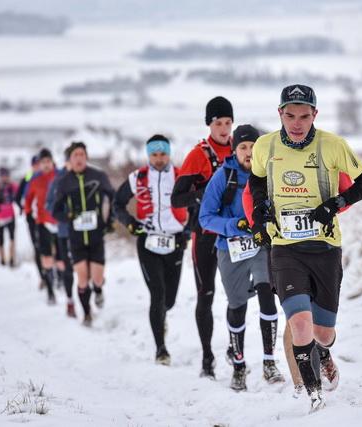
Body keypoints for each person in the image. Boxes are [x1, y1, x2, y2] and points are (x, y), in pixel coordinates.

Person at [248, 84, 362, 412]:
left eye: (304, 116)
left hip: (325, 246)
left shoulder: (333, 145)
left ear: (315, 114)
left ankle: (325, 351)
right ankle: (312, 392)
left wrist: (334, 204)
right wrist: (260, 204)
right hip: (285, 247)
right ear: (280, 114)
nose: (297, 123)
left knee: (323, 332)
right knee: (299, 323)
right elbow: (257, 179)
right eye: (290, 115)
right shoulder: (265, 145)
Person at [199, 125, 285, 391]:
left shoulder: (270, 173)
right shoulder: (222, 178)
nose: (248, 152)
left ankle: (269, 363)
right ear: (235, 150)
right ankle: (238, 365)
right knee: (237, 304)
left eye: (253, 147)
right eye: (243, 147)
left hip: (260, 245)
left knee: (266, 294)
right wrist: (234, 225)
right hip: (230, 248)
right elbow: (205, 217)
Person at [171, 96, 235, 378]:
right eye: (218, 123)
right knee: (205, 294)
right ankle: (207, 356)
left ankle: (237, 348)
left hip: (234, 233)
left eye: (228, 123)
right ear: (209, 124)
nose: (223, 129)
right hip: (206, 235)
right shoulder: (198, 156)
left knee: (238, 296)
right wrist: (205, 193)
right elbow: (176, 198)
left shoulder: (241, 149)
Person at [113, 135, 187, 364]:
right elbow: (117, 204)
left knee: (170, 300)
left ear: (168, 154)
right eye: (154, 155)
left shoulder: (180, 176)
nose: (158, 159)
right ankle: (161, 350)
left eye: (162, 154)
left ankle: (162, 316)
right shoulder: (137, 178)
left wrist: (189, 230)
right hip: (148, 242)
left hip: (174, 241)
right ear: (148, 155)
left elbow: (198, 202)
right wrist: (131, 223)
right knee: (157, 293)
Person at [52, 142, 116, 327]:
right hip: (76, 238)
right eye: (75, 155)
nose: (79, 158)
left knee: (96, 278)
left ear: (86, 157)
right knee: (82, 278)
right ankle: (87, 313)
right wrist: (68, 216)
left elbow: (113, 198)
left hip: (96, 236)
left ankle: (98, 290)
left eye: (81, 154)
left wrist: (109, 220)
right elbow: (55, 210)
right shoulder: (64, 182)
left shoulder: (98, 176)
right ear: (70, 160)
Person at [24, 149, 60, 305]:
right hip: (42, 221)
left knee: (61, 258)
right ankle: (50, 290)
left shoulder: (61, 176)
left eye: (48, 162)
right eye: (42, 162)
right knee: (46, 257)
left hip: (60, 221)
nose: (45, 165)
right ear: (39, 164)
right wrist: (28, 215)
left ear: (52, 162)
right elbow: (27, 200)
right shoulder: (34, 180)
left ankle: (62, 281)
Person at [46, 149, 76, 318]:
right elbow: (48, 204)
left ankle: (86, 298)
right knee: (67, 268)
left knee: (85, 268)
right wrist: (63, 214)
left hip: (85, 231)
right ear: (66, 161)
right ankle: (70, 300)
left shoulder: (87, 179)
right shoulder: (57, 182)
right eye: (72, 159)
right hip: (64, 231)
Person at [16, 155, 45, 288]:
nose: (38, 167)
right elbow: (17, 197)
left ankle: (54, 275)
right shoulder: (27, 179)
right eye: (36, 165)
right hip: (32, 218)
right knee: (37, 246)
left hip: (46, 216)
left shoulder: (47, 177)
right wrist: (24, 209)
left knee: (50, 246)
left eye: (40, 164)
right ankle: (43, 277)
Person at [0, 167, 19, 267]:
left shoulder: (12, 187)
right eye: (3, 176)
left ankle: (11, 258)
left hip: (10, 216)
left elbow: (19, 192)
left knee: (12, 238)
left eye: (6, 176)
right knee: (1, 240)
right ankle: (2, 259)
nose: (4, 178)